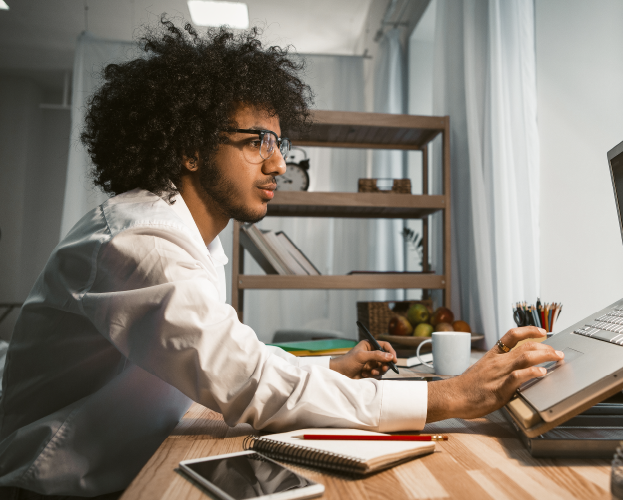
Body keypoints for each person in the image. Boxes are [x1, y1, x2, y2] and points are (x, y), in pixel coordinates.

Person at [0, 20, 563, 498]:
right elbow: (247, 380)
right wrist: (451, 395)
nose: (277, 166)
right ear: (190, 148)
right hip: (50, 485)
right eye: (255, 142)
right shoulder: (140, 239)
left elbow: (227, 356)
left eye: (279, 144)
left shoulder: (188, 237)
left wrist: (326, 367)